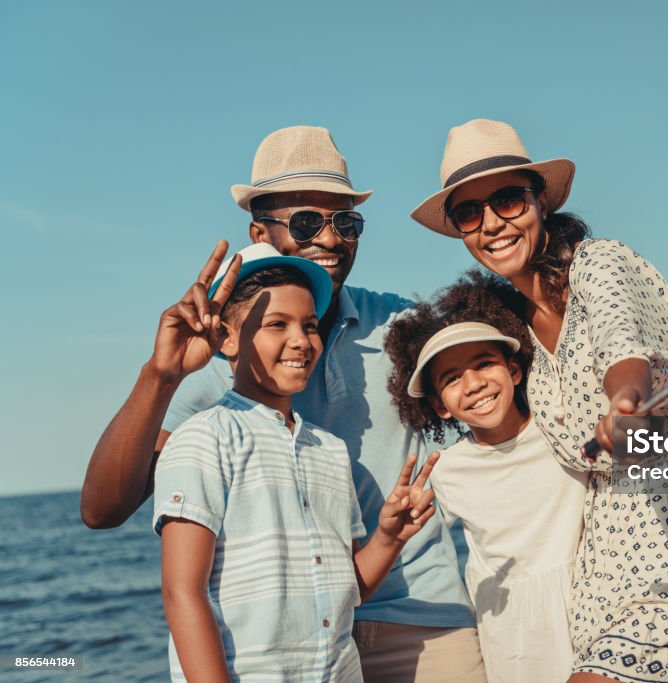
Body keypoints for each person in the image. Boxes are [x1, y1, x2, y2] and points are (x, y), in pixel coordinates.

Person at [81, 126, 486, 682]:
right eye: (305, 222)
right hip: (276, 644)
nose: (331, 238)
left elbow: (497, 386)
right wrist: (161, 377)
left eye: (346, 222)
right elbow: (103, 511)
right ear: (259, 230)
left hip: (421, 618)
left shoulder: (400, 324)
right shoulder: (216, 360)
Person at [409, 119, 668, 682]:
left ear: (540, 202)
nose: (492, 223)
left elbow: (624, 353)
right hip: (612, 549)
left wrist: (627, 407)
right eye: (470, 212)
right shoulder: (514, 329)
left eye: (508, 200)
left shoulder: (600, 264)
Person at [156, 243, 439, 681]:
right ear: (227, 339)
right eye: (276, 324)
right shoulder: (203, 437)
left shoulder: (329, 450)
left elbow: (345, 593)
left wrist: (388, 537)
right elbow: (182, 592)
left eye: (310, 325)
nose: (301, 341)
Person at [382, 271, 589, 682]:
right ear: (440, 406)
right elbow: (420, 540)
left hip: (587, 602)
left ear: (514, 370)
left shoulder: (563, 426)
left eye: (484, 364)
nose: (474, 383)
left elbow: (653, 438)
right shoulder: (446, 470)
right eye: (452, 378)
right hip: (509, 628)